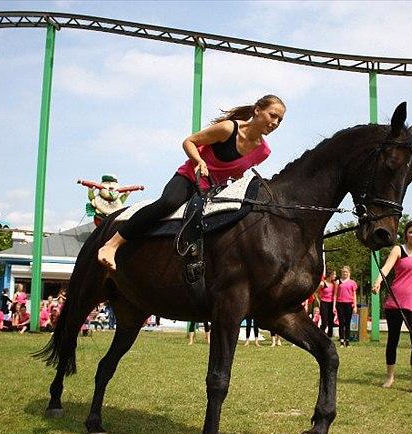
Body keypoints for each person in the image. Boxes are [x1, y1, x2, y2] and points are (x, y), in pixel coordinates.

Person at [98, 95, 286, 271]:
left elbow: (238, 171)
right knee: (168, 203)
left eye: (280, 120)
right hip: (189, 178)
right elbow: (190, 141)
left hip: (214, 191)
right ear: (257, 110)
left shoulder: (264, 152)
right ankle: (112, 244)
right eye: (273, 115)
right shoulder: (228, 128)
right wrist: (199, 161)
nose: (275, 123)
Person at [372, 219, 412, 392]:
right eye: (411, 231)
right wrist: (378, 281)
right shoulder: (398, 249)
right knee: (393, 340)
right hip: (396, 302)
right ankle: (390, 377)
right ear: (406, 233)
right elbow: (386, 268)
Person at [334, 266, 358, 348]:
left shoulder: (352, 283)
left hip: (349, 304)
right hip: (340, 304)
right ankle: (341, 341)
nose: (345, 273)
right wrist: (334, 306)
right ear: (341, 273)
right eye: (343, 272)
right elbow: (335, 294)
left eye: (346, 272)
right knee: (341, 323)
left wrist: (355, 306)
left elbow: (354, 295)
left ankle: (347, 341)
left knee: (347, 323)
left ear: (349, 273)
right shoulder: (338, 282)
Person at [318, 270, 338, 338]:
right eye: (334, 274)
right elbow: (317, 292)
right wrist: (320, 300)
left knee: (331, 322)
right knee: (324, 321)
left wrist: (334, 306)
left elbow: (335, 294)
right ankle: (321, 336)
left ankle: (329, 337)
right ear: (330, 275)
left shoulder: (334, 283)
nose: (335, 276)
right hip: (324, 303)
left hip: (332, 303)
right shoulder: (323, 283)